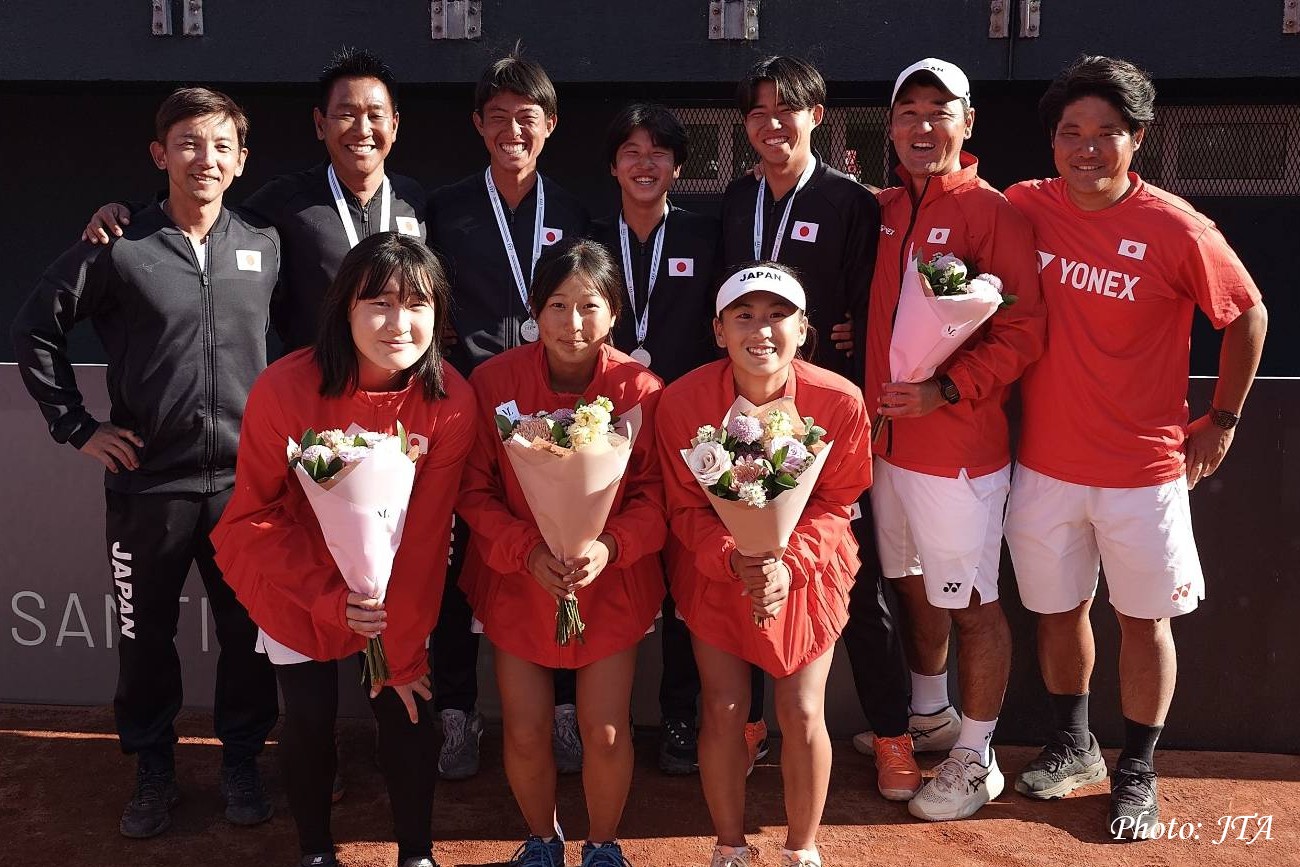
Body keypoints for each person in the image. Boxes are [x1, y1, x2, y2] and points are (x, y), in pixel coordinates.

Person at [1003, 55, 1267, 840]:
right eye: (1071, 133)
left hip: (1143, 468)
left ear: (1138, 139)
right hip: (1044, 463)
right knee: (1057, 611)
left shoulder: (1178, 227)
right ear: (1052, 141)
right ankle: (1075, 744)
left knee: (1146, 621)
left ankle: (1138, 767)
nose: (1087, 149)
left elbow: (1247, 315)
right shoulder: (1023, 206)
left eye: (1106, 134)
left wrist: (1220, 420)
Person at [11, 87, 280, 838]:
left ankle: (241, 760)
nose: (207, 158)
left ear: (241, 160)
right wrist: (77, 426)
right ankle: (154, 765)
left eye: (222, 145)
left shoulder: (265, 242)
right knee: (144, 639)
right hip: (147, 487)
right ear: (160, 153)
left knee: (248, 636)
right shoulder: (118, 244)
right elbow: (36, 328)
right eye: (190, 143)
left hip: (243, 487)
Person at [211, 232, 476, 867]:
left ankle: (416, 853)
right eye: (378, 303)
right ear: (344, 308)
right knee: (307, 718)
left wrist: (402, 648)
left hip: (394, 594)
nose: (398, 322)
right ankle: (315, 851)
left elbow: (425, 535)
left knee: (408, 707)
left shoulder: (451, 402)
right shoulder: (284, 387)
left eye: (417, 304)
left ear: (438, 316)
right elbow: (255, 516)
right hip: (298, 579)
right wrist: (332, 599)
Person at [720, 55, 912, 796]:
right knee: (746, 570)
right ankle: (751, 724)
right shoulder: (735, 200)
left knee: (850, 579)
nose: (773, 123)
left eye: (787, 109)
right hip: (741, 414)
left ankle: (892, 731)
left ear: (815, 117)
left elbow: (870, 307)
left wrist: (845, 350)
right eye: (759, 111)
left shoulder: (849, 201)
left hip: (827, 419)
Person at [865, 58, 1046, 819]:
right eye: (909, 111)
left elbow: (1024, 330)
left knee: (971, 600)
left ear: (968, 123)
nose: (922, 125)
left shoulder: (992, 210)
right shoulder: (879, 207)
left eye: (941, 111)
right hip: (883, 445)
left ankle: (976, 755)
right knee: (910, 583)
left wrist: (946, 387)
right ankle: (931, 712)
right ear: (891, 127)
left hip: (958, 450)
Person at [457, 238, 665, 867]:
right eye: (556, 305)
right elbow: (475, 490)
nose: (572, 325)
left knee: (604, 732)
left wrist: (610, 546)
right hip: (520, 577)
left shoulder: (641, 390)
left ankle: (602, 844)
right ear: (533, 310)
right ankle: (541, 839)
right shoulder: (493, 382)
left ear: (615, 313)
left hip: (609, 578)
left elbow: (657, 497)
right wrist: (525, 552)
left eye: (590, 307)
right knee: (523, 729)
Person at [657, 263, 873, 867]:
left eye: (778, 315)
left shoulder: (840, 399)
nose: (762, 330)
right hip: (715, 572)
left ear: (804, 329)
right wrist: (736, 561)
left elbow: (839, 499)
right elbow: (681, 505)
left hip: (809, 571)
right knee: (724, 708)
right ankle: (729, 847)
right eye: (744, 316)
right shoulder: (682, 401)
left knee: (802, 709)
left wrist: (787, 563)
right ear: (718, 330)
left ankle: (802, 850)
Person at [426, 50, 591, 780]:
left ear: (549, 125)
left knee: (553, 556)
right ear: (478, 126)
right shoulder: (447, 207)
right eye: (497, 118)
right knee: (459, 562)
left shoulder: (577, 209)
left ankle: (563, 707)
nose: (512, 130)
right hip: (472, 412)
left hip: (555, 417)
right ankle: (456, 713)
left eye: (527, 117)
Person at [81, 47, 427, 353]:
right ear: (320, 124)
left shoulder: (413, 200)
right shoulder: (286, 199)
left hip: (400, 384)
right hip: (319, 389)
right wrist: (131, 212)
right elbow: (211, 215)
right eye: (346, 114)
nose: (362, 129)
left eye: (376, 115)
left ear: (394, 125)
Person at [588, 103, 720, 775]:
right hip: (604, 433)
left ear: (677, 166)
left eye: (659, 151)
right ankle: (585, 714)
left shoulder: (708, 235)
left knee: (686, 576)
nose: (645, 162)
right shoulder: (587, 238)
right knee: (606, 564)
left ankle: (679, 712)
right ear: (612, 164)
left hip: (690, 433)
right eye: (631, 151)